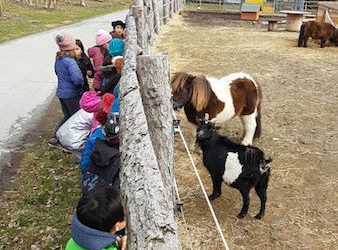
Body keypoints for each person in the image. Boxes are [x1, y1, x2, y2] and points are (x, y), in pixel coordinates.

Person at [50, 33, 84, 146]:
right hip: (71, 94)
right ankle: (71, 139)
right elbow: (77, 79)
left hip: (61, 93)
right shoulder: (71, 62)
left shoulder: (58, 59)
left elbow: (57, 72)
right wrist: (80, 86)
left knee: (67, 115)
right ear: (71, 48)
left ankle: (55, 137)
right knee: (75, 117)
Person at [82, 112, 120, 193]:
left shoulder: (96, 147)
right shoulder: (118, 158)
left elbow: (84, 164)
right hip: (107, 198)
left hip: (90, 191)